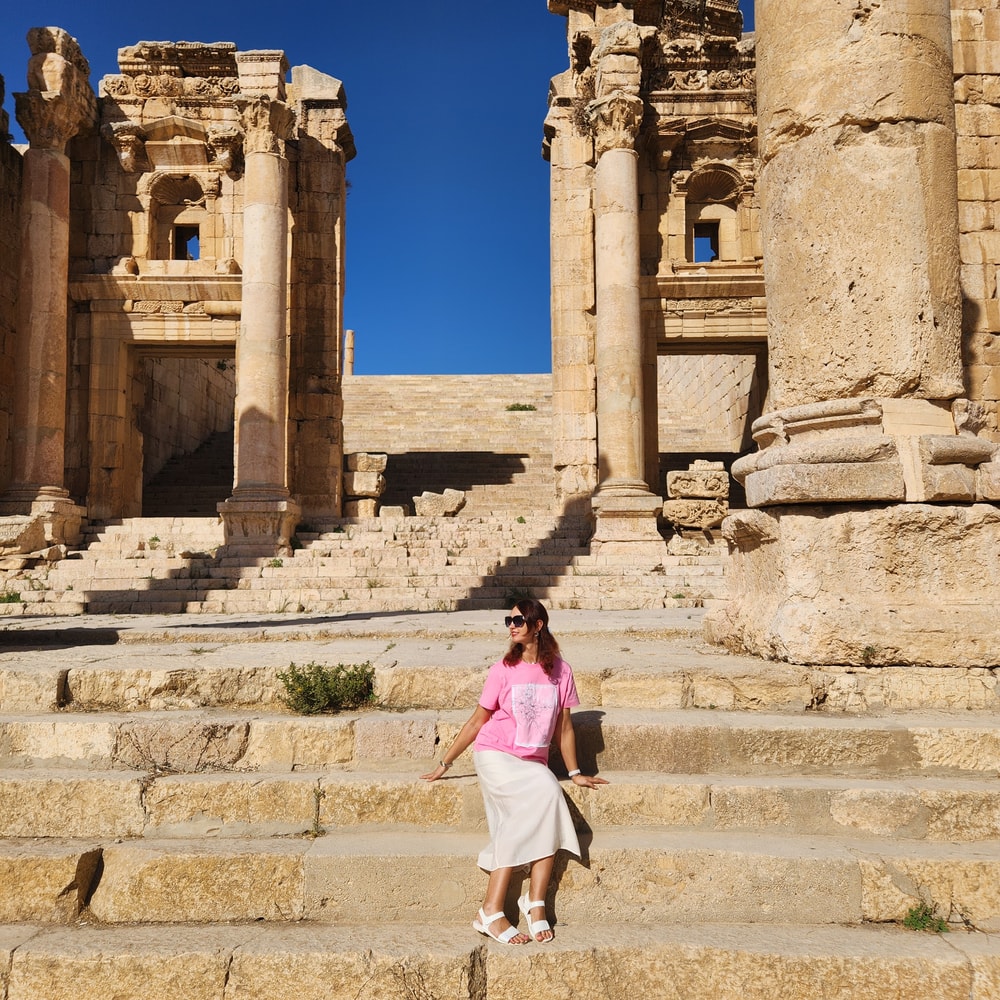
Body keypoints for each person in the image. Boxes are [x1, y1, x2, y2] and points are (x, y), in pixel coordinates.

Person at [421, 599, 608, 944]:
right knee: (532, 806)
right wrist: (444, 763)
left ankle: (534, 903)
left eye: (519, 620)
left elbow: (564, 727)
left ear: (538, 625)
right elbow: (477, 721)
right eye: (509, 619)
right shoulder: (503, 670)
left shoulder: (561, 671)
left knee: (549, 795)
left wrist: (575, 772)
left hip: (532, 764)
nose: (511, 625)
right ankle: (491, 909)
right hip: (495, 755)